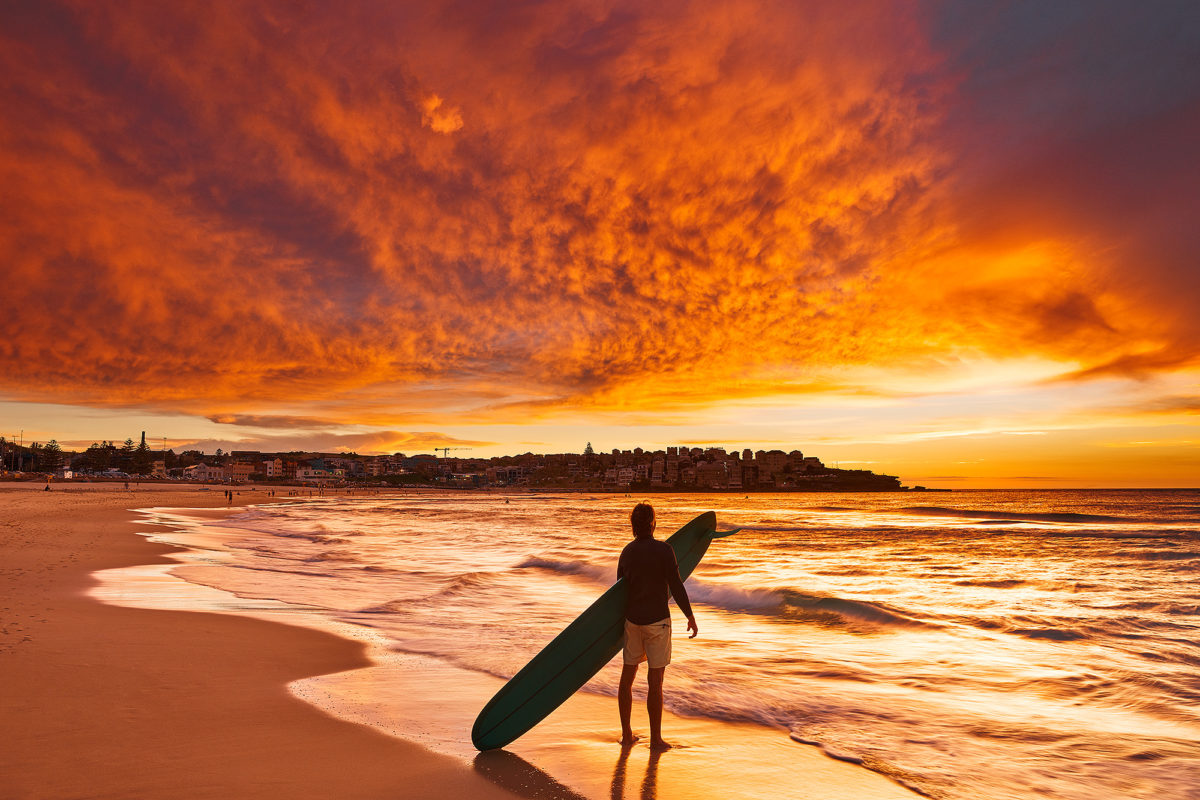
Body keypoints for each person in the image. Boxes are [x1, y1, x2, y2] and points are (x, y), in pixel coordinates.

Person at [617, 503, 697, 750]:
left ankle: (627, 735)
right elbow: (676, 585)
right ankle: (655, 740)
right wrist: (690, 616)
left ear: (633, 525)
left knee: (627, 678)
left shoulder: (627, 552)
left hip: (632, 622)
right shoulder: (665, 550)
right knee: (656, 681)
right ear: (653, 523)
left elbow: (619, 592)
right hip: (657, 622)